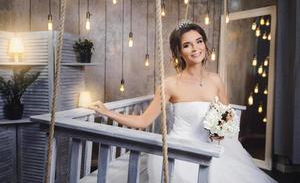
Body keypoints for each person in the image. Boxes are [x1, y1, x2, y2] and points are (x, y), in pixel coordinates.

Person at [89, 22, 277, 183]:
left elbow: (227, 114)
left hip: (211, 147)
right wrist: (108, 112)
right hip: (179, 152)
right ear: (179, 52)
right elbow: (143, 121)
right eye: (187, 45)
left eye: (199, 41)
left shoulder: (216, 80)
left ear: (205, 44)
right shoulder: (170, 84)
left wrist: (220, 132)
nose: (195, 49)